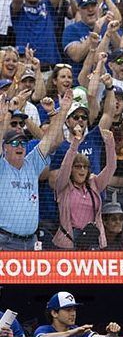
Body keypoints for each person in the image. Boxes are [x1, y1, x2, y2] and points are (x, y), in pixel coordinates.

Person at [0, 91, 72, 250]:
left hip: (31, 242)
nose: (20, 146)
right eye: (14, 143)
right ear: (4, 147)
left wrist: (63, 111)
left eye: (22, 143)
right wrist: (8, 112)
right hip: (5, 242)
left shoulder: (32, 163)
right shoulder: (1, 166)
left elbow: (50, 138)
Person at [53, 128, 116, 250]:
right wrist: (75, 143)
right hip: (69, 242)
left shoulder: (94, 184)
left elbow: (111, 167)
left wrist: (109, 143)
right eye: (78, 167)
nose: (82, 170)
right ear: (71, 169)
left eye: (85, 167)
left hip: (92, 241)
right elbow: (65, 166)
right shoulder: (63, 187)